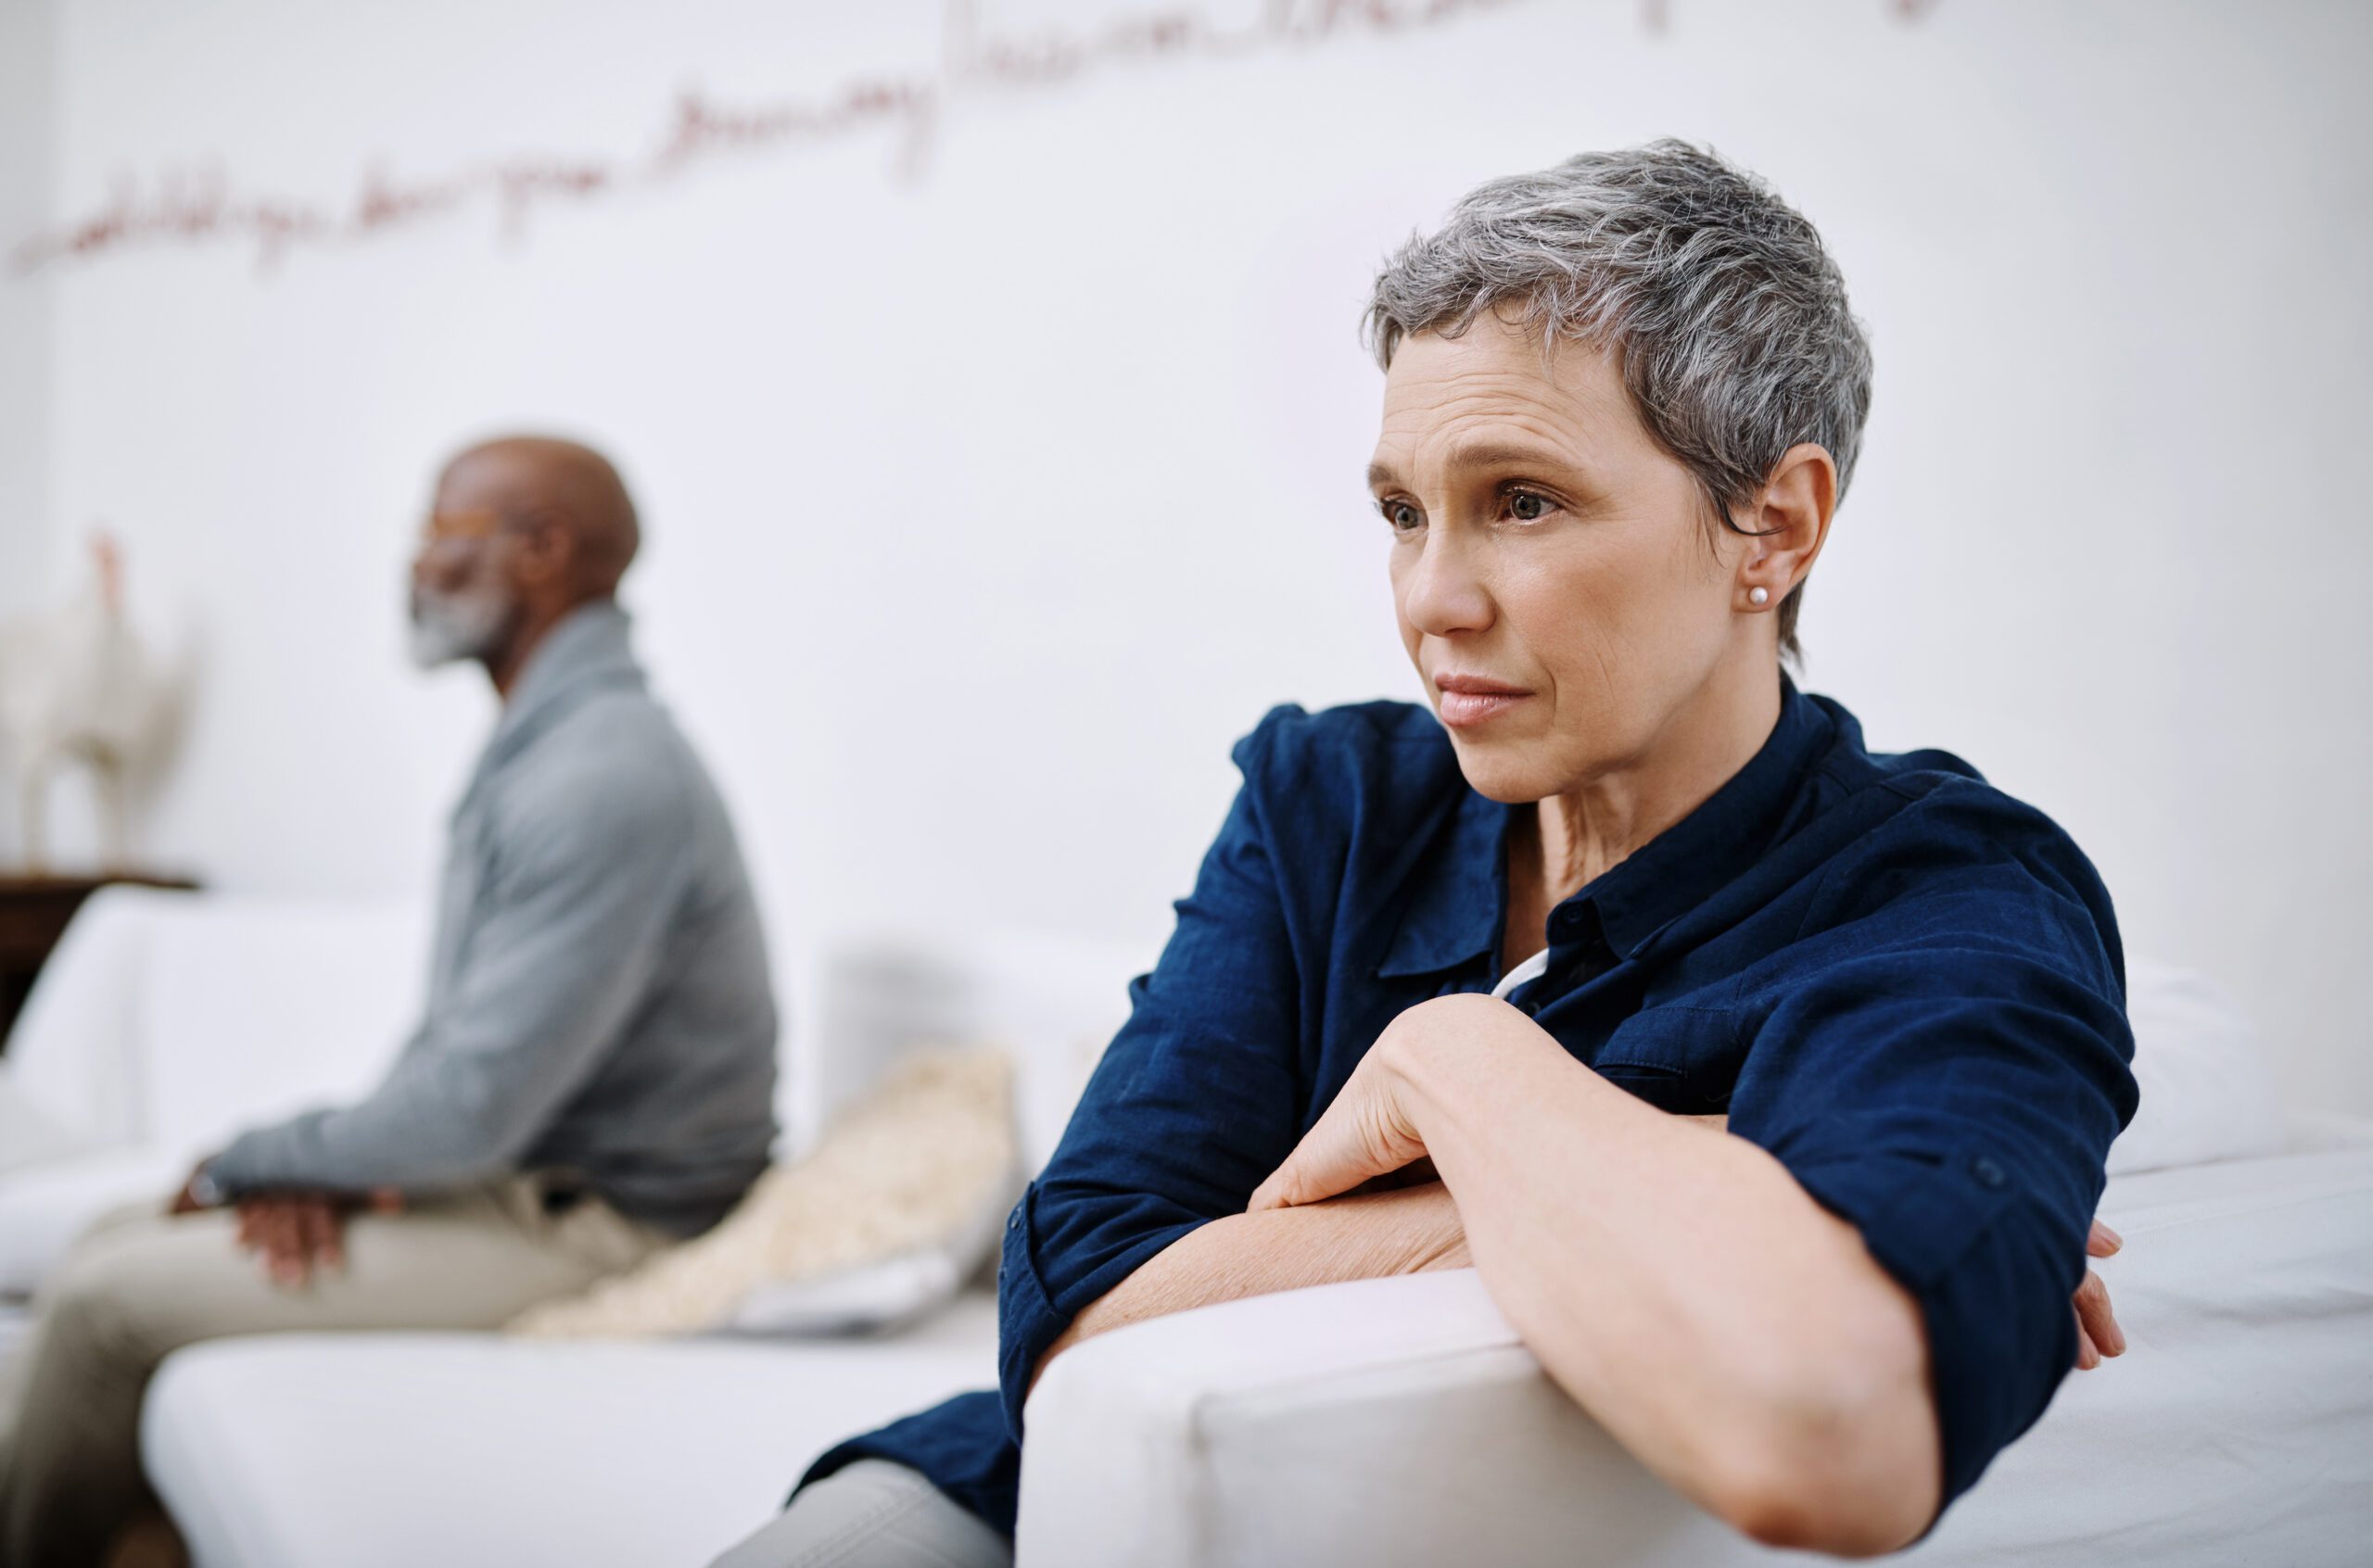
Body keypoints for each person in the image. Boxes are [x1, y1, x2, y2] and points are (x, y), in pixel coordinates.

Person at [708, 142, 2137, 1567]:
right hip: (1023, 1494)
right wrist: (1685, 1180)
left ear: (1775, 521)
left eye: (1522, 500)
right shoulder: (1332, 795)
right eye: (1403, 512)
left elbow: (1829, 1431)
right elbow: (1080, 1297)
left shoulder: (1948, 899)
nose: (1431, 601)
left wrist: (1449, 1065)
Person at [0, 436, 781, 1568]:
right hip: (511, 1183)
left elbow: (469, 1108)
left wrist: (254, 1159)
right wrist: (338, 1170)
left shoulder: (603, 772)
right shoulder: (551, 744)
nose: (413, 563)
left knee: (104, 1311)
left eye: (440, 532)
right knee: (106, 1243)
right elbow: (461, 1073)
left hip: (609, 1229)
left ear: (543, 550)